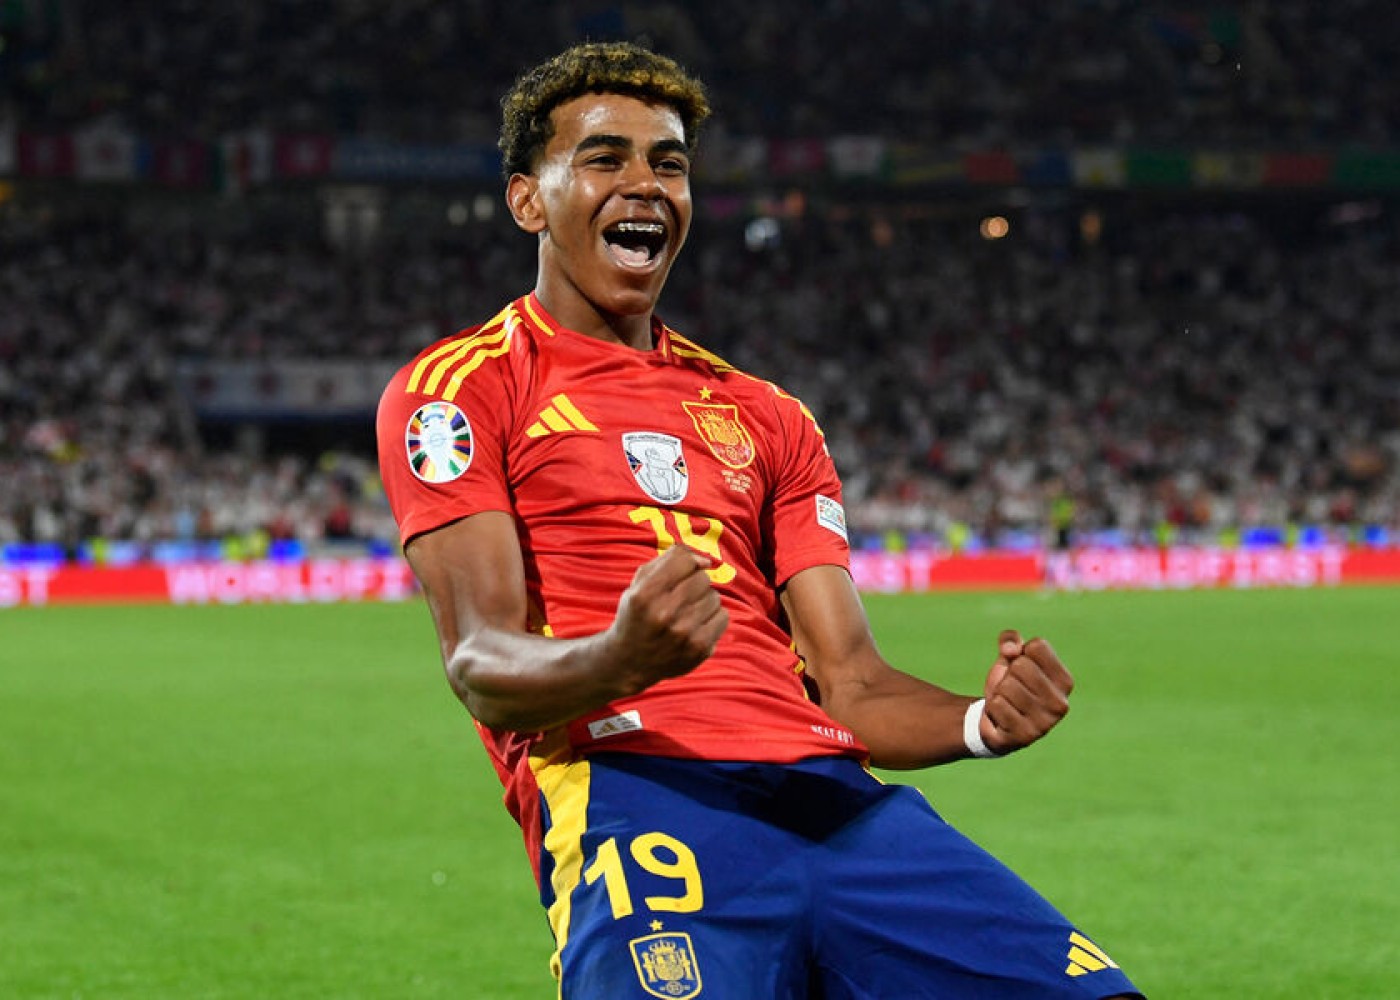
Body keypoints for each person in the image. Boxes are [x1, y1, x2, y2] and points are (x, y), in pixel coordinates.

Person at [376, 40, 1143, 999]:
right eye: (606, 158)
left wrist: (980, 722)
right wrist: (619, 657)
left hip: (836, 805)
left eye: (669, 164)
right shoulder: (460, 388)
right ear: (529, 200)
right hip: (637, 794)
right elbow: (480, 662)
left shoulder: (767, 416)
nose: (646, 184)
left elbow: (851, 683)